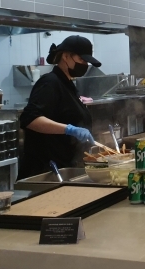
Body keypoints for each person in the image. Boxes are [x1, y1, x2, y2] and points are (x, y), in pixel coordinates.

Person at [18, 35, 100, 180]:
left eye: (86, 62)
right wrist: (69, 129)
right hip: (45, 172)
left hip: (63, 169)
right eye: (81, 60)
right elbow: (29, 119)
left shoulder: (67, 85)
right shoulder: (50, 82)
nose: (85, 65)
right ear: (65, 56)